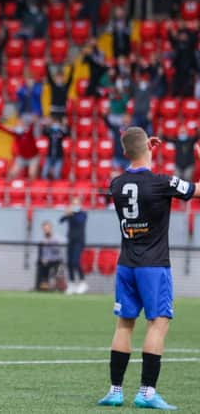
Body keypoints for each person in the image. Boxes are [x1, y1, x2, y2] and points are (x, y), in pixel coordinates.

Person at [98, 127, 200, 410]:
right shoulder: (161, 182)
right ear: (149, 148)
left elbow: (135, 170)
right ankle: (146, 393)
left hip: (126, 264)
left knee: (124, 324)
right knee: (158, 322)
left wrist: (142, 149)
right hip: (153, 266)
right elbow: (196, 191)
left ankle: (115, 390)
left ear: (124, 152)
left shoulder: (116, 184)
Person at [59, 197, 88, 295]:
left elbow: (79, 222)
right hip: (71, 241)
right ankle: (71, 283)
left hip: (79, 241)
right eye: (73, 204)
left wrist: (71, 214)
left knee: (76, 261)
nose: (75, 205)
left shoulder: (82, 214)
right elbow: (61, 220)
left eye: (76, 203)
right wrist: (66, 214)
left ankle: (82, 282)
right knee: (69, 263)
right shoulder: (70, 214)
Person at [36, 221, 63, 291]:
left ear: (51, 228)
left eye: (47, 228)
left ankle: (59, 287)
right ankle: (42, 286)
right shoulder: (42, 239)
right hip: (46, 261)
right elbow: (43, 252)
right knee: (41, 265)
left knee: (58, 269)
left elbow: (57, 251)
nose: (46, 230)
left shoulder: (56, 238)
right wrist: (43, 259)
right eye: (44, 229)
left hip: (56, 260)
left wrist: (49, 243)